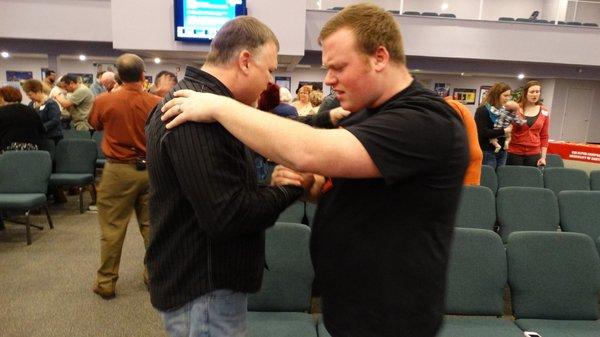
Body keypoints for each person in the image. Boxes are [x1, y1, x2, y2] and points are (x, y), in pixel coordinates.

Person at [160, 4, 468, 337]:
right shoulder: (366, 113)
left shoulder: (426, 119)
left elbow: (306, 150)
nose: (329, 79)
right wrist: (305, 187)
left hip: (394, 317)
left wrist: (219, 106)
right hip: (350, 308)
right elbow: (351, 190)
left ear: (380, 57)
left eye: (338, 67)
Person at [144, 16, 308, 337]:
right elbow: (227, 215)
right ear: (245, 61)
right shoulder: (194, 114)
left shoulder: (207, 104)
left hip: (201, 283)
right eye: (271, 70)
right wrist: (290, 188)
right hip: (204, 288)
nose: (271, 82)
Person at [87, 53, 162, 300]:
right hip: (152, 170)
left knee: (112, 228)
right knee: (152, 227)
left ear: (118, 77)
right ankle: (155, 277)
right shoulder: (156, 102)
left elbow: (94, 124)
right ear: (143, 76)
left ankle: (106, 283)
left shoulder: (103, 100)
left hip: (117, 171)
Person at [507, 80, 550, 167]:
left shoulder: (544, 112)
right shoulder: (516, 108)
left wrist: (543, 157)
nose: (535, 94)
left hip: (534, 153)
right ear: (525, 93)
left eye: (537, 92)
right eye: (532, 92)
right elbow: (508, 130)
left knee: (530, 179)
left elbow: (544, 136)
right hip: (514, 152)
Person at [474, 82, 515, 169]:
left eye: (509, 96)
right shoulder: (483, 110)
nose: (508, 98)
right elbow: (483, 133)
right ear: (496, 95)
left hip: (502, 151)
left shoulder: (505, 111)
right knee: (489, 178)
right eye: (505, 95)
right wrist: (504, 131)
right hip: (487, 151)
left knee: (501, 177)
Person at [444, 97, 483, 185]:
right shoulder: (455, 105)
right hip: (467, 159)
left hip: (464, 162)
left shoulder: (451, 106)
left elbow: (453, 136)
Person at [0, 85, 45, 152]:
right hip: (34, 155)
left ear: (3, 98)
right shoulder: (32, 111)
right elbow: (42, 132)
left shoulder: (2, 112)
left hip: (7, 155)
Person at [22, 79, 63, 145]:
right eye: (27, 95)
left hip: (52, 138)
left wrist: (41, 128)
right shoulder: (31, 104)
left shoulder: (51, 103)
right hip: (38, 137)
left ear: (38, 91)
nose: (29, 97)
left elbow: (55, 120)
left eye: (30, 94)